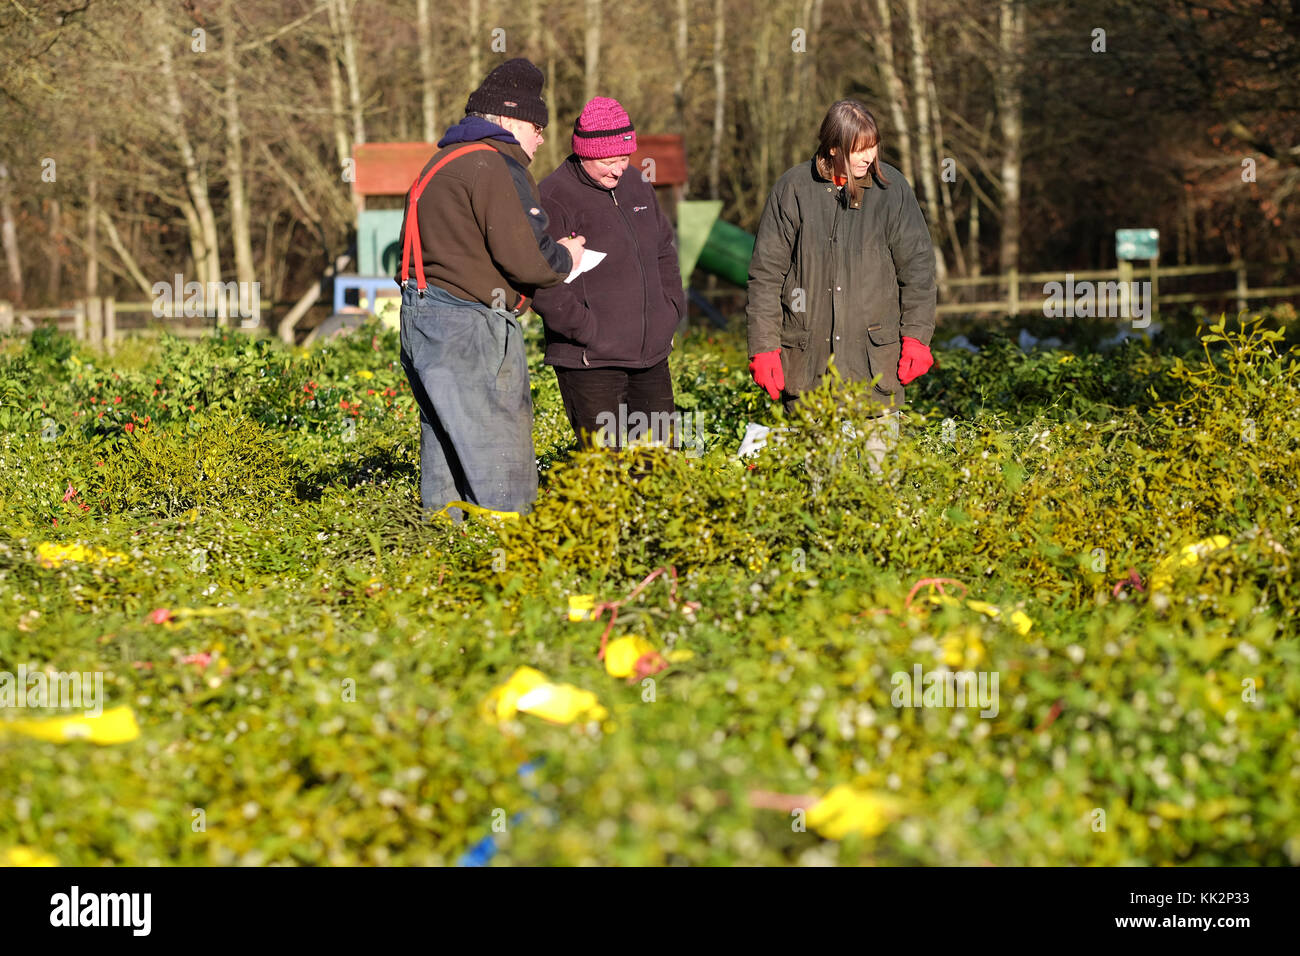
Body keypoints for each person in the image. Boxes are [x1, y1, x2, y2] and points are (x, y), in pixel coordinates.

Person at [396, 58, 586, 516]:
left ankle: (445, 563)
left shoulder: (441, 162)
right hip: (471, 326)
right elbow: (528, 258)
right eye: (536, 126)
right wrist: (566, 255)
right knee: (501, 460)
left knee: (447, 451)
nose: (541, 137)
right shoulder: (494, 164)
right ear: (507, 120)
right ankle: (509, 568)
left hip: (422, 318)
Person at [746, 99, 937, 472]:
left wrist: (916, 336)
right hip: (807, 368)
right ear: (833, 147)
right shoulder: (793, 189)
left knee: (878, 490)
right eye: (858, 149)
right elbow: (766, 275)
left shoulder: (892, 189)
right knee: (818, 493)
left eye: (872, 146)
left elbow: (918, 269)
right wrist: (764, 347)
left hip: (875, 366)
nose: (868, 157)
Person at [528, 97, 687, 452]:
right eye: (608, 161)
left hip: (651, 358)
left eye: (624, 158)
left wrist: (670, 310)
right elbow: (542, 279)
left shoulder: (637, 183)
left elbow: (663, 249)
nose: (618, 169)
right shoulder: (553, 196)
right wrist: (587, 331)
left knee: (659, 465)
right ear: (584, 152)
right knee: (606, 472)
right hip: (591, 364)